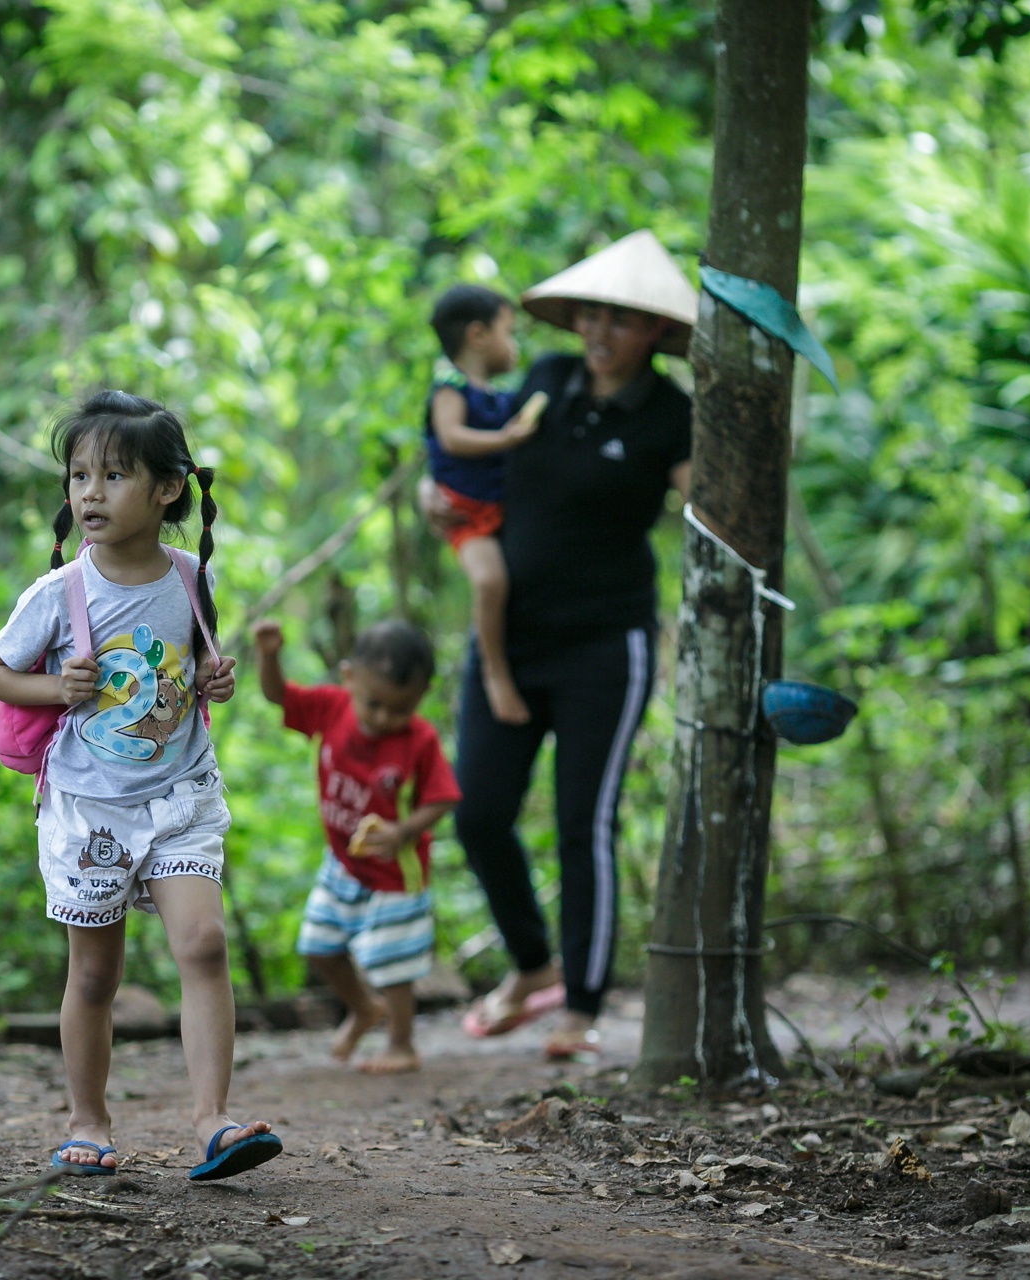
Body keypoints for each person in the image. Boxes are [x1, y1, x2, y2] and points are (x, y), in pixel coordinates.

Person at [0, 390, 282, 1181]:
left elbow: (194, 661)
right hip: (88, 807)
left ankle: (214, 1120)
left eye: (113, 475)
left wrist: (216, 677)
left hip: (179, 795)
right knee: (95, 975)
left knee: (203, 945)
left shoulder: (189, 576)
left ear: (168, 489)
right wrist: (59, 689)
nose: (90, 493)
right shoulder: (58, 593)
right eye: (79, 476)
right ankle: (88, 1120)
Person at [428, 231, 697, 1060]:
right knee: (477, 813)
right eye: (590, 314)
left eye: (620, 319)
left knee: (586, 822)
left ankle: (580, 1004)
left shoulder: (670, 413)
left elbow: (711, 508)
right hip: (508, 640)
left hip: (604, 647)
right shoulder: (541, 380)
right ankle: (534, 962)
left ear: (654, 331)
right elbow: (475, 460)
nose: (600, 330)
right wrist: (437, 502)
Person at [251, 618, 462, 1075]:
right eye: (375, 704)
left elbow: (443, 796)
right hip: (343, 862)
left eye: (400, 710)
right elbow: (279, 696)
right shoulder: (331, 708)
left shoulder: (419, 740)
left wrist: (403, 831)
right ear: (349, 678)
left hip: (394, 872)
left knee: (392, 960)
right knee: (318, 945)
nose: (385, 719)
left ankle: (401, 1044)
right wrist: (268, 655)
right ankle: (363, 1008)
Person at [423, 285, 549, 727]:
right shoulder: (450, 385)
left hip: (498, 512)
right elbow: (452, 437)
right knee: (490, 582)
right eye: (508, 331)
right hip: (466, 515)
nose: (513, 345)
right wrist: (506, 439)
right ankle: (494, 672)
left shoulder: (496, 394)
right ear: (478, 335)